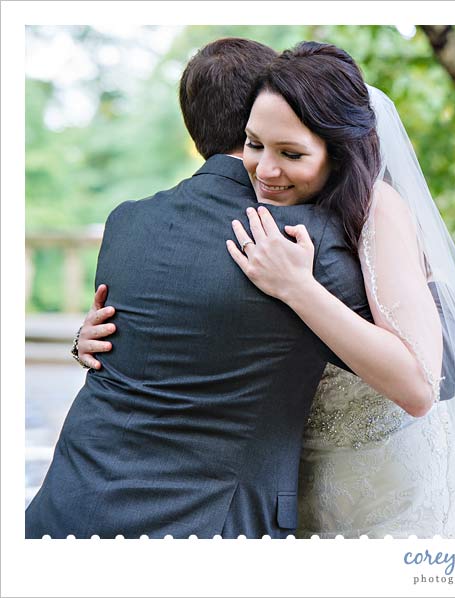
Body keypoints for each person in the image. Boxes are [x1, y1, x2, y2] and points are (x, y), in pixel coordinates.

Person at [78, 41, 455, 538]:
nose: (265, 169)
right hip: (291, 491)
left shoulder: (371, 213)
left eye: (291, 151)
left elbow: (427, 381)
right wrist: (100, 341)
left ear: (335, 148)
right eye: (254, 143)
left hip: (384, 493)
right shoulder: (255, 223)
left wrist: (298, 287)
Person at [25, 38, 373, 539]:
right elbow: (437, 374)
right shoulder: (299, 239)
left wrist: (80, 344)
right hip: (207, 528)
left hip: (64, 511)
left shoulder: (126, 221)